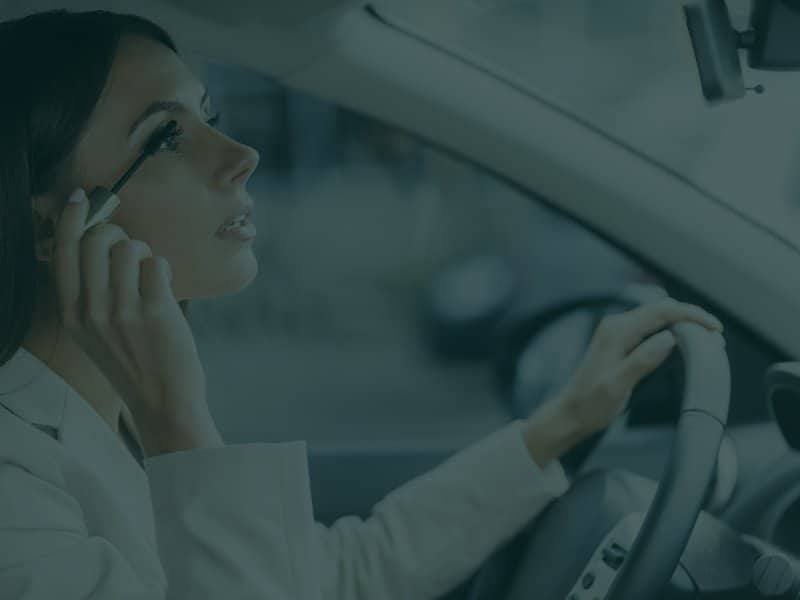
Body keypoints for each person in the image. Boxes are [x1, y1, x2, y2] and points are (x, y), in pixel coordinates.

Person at [0, 9, 725, 600]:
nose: (239, 154)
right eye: (166, 137)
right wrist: (178, 425)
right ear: (48, 226)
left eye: (210, 114)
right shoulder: (17, 493)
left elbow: (332, 577)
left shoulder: (107, 419)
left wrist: (560, 425)